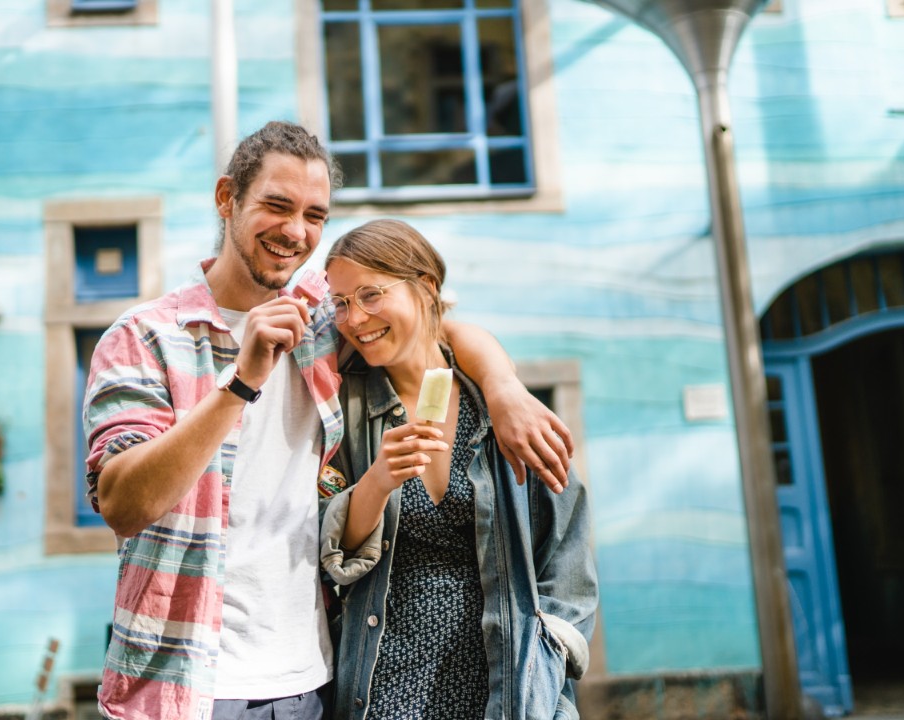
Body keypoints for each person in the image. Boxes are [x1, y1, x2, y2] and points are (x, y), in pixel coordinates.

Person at [82, 121, 574, 720]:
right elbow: (122, 502)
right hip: (182, 684)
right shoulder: (143, 338)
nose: (295, 232)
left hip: (311, 683)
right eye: (277, 206)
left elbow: (422, 320)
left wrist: (502, 386)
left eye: (314, 215)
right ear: (226, 198)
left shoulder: (325, 321)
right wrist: (241, 382)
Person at [319, 219, 599, 720]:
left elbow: (567, 549)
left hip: (506, 681)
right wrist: (379, 481)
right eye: (341, 302)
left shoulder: (499, 407)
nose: (354, 318)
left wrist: (547, 657)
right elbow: (331, 549)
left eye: (370, 295)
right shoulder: (346, 407)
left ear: (425, 287)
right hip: (384, 681)